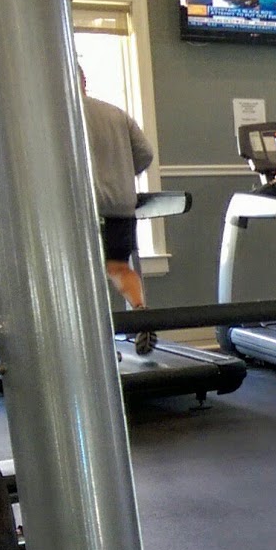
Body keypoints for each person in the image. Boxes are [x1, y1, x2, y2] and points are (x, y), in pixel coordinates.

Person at [81, 66, 160, 355]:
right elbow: (146, 154)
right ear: (84, 81)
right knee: (118, 266)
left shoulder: (59, 114)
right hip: (120, 204)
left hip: (82, 207)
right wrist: (123, 175)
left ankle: (95, 344)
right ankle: (140, 313)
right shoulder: (116, 113)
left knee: (81, 274)